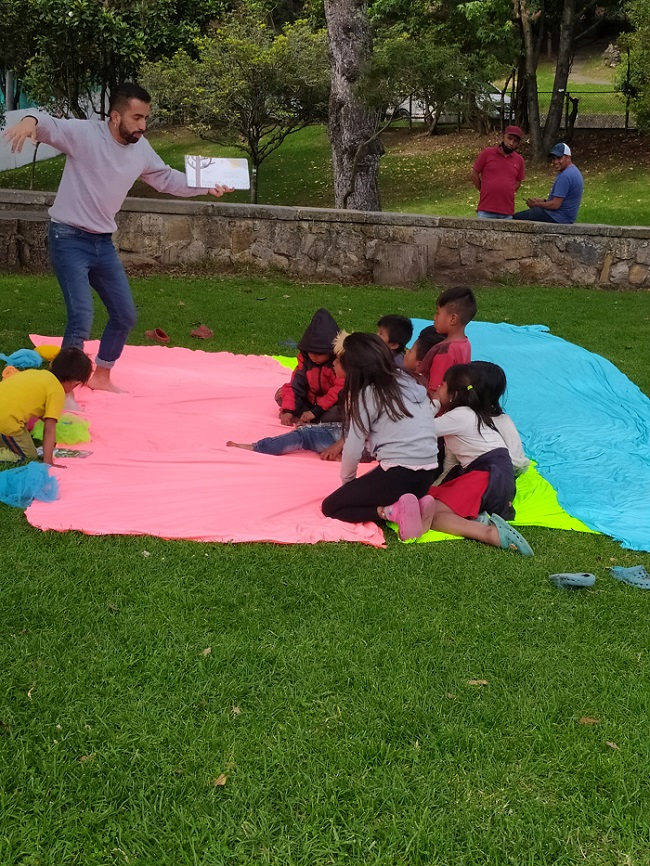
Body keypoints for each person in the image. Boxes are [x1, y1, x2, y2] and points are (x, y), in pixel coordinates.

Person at [2, 83, 234, 393]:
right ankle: (61, 390)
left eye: (145, 118)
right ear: (115, 116)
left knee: (125, 315)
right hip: (68, 238)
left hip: (101, 243)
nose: (143, 125)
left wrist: (207, 185)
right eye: (137, 118)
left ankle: (101, 376)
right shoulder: (85, 135)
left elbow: (165, 178)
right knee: (81, 315)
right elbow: (47, 124)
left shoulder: (141, 148)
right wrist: (29, 121)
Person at [321, 333, 439, 541]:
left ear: (354, 371)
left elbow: (353, 447)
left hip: (399, 475)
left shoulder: (367, 394)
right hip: (427, 474)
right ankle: (419, 502)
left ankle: (390, 511)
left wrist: (348, 484)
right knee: (373, 481)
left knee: (332, 505)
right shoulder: (409, 382)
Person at [425, 363, 534, 555]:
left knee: (430, 514)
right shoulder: (476, 415)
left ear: (454, 394)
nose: (437, 389)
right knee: (434, 498)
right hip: (500, 482)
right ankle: (477, 517)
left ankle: (487, 533)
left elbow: (418, 428)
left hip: (487, 476)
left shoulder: (460, 416)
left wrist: (433, 405)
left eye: (442, 385)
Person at [0, 348, 92, 465]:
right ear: (75, 383)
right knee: (28, 455)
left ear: (52, 364)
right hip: (6, 421)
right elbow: (49, 429)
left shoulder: (37, 373)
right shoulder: (57, 391)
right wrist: (48, 461)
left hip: (4, 411)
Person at [277, 308, 345, 426]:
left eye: (319, 353)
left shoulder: (339, 363)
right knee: (281, 394)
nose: (313, 356)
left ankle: (312, 421)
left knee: (341, 411)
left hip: (328, 405)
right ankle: (303, 417)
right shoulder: (305, 361)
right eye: (310, 352)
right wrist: (288, 410)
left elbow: (339, 390)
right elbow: (296, 385)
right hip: (310, 401)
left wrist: (315, 412)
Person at [416, 286, 476, 400]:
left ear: (453, 319)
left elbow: (435, 395)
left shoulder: (444, 352)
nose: (434, 317)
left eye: (438, 313)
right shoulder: (465, 344)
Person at [513, 143, 584, 224]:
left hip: (558, 217)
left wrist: (536, 204)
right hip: (566, 217)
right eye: (554, 159)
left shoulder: (565, 176)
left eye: (559, 158)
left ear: (568, 157)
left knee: (516, 219)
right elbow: (562, 201)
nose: (555, 162)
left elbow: (555, 205)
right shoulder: (573, 171)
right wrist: (542, 201)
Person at [470, 125, 526, 219]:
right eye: (509, 138)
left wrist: (509, 190)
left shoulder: (519, 160)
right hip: (486, 209)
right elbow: (474, 173)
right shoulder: (487, 153)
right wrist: (483, 189)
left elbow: (518, 181)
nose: (511, 143)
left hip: (507, 211)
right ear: (503, 136)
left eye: (515, 141)